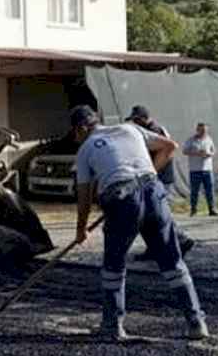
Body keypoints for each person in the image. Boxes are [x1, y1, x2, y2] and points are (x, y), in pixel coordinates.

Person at [71, 105, 209, 342]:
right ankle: (197, 323)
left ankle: (112, 326)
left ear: (82, 128)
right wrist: (149, 175)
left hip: (121, 198)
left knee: (114, 265)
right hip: (154, 193)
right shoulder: (130, 129)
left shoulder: (85, 149)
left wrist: (81, 229)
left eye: (75, 133)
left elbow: (83, 195)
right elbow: (169, 146)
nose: (76, 138)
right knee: (173, 262)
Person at [127, 106, 195, 261]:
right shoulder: (153, 129)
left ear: (143, 118)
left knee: (157, 213)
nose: (135, 123)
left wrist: (152, 171)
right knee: (148, 215)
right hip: (155, 175)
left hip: (159, 176)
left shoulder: (154, 130)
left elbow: (168, 151)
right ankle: (154, 248)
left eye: (137, 120)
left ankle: (181, 240)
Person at [182, 122, 218, 217]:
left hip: (207, 169)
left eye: (205, 130)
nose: (203, 132)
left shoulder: (209, 139)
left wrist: (209, 154)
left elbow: (214, 151)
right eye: (201, 130)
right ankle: (194, 210)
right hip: (195, 169)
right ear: (197, 130)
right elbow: (184, 151)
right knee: (194, 191)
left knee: (209, 190)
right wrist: (197, 153)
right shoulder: (191, 140)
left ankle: (212, 209)